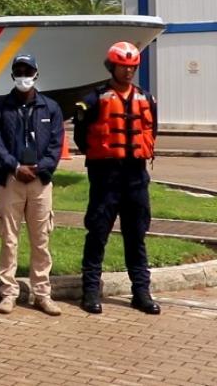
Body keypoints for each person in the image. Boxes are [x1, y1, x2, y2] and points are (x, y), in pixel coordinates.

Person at [74, 41, 160, 315]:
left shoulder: (146, 98)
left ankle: (141, 292)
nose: (128, 71)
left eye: (132, 66)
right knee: (98, 234)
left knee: (136, 236)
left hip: (136, 176)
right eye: (123, 66)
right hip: (105, 177)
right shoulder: (93, 100)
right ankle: (90, 292)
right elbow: (80, 136)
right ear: (112, 67)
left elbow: (152, 130)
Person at [0, 54, 64, 316]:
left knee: (40, 240)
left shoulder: (50, 107)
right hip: (10, 180)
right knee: (9, 239)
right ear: (11, 74)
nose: (23, 75)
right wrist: (15, 167)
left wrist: (41, 168)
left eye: (27, 70)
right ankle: (8, 293)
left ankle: (42, 293)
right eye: (18, 70)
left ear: (36, 74)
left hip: (40, 182)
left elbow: (56, 143)